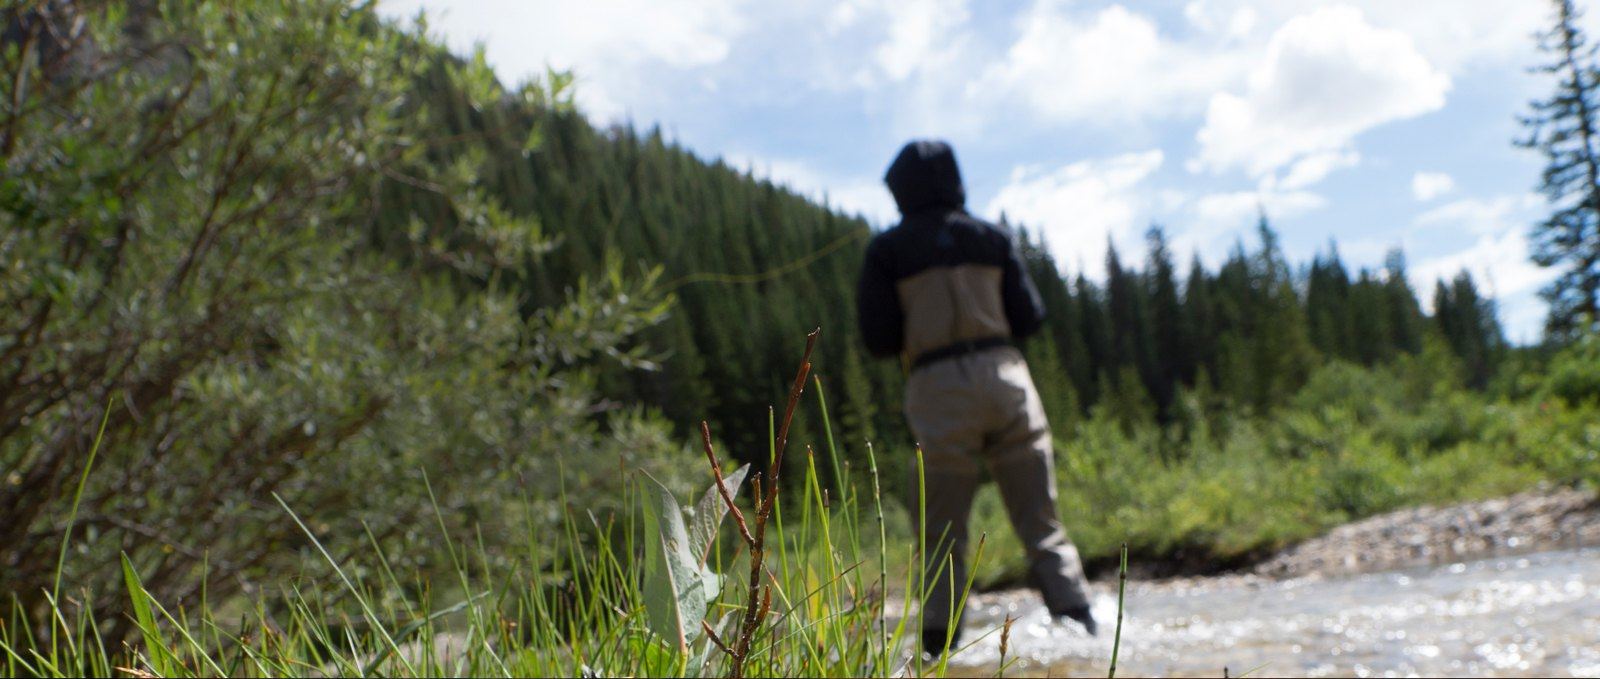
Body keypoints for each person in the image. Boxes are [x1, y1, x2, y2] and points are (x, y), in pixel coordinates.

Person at [856, 140, 1096, 656]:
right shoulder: (993, 237)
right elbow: (1030, 317)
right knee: (1042, 524)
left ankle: (938, 654)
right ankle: (1087, 635)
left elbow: (878, 340)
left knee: (942, 536)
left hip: (937, 386)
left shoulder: (887, 250)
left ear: (900, 190)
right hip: (1006, 378)